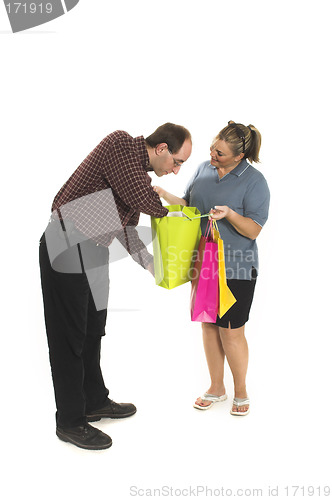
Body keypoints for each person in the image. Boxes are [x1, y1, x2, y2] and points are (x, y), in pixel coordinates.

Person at [39, 123, 192, 450]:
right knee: (69, 337)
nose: (177, 171)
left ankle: (94, 401)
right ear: (162, 148)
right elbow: (146, 200)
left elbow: (128, 230)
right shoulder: (121, 146)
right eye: (177, 162)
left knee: (93, 329)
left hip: (93, 250)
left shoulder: (135, 178)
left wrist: (154, 266)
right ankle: (69, 421)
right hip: (64, 244)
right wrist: (181, 214)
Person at [153, 121, 269, 416]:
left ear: (238, 157)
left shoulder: (255, 182)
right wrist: (167, 196)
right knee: (208, 325)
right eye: (213, 148)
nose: (212, 154)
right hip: (204, 264)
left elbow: (253, 230)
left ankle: (240, 391)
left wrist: (229, 214)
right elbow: (190, 207)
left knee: (230, 331)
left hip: (237, 268)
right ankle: (217, 387)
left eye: (220, 153)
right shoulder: (204, 169)